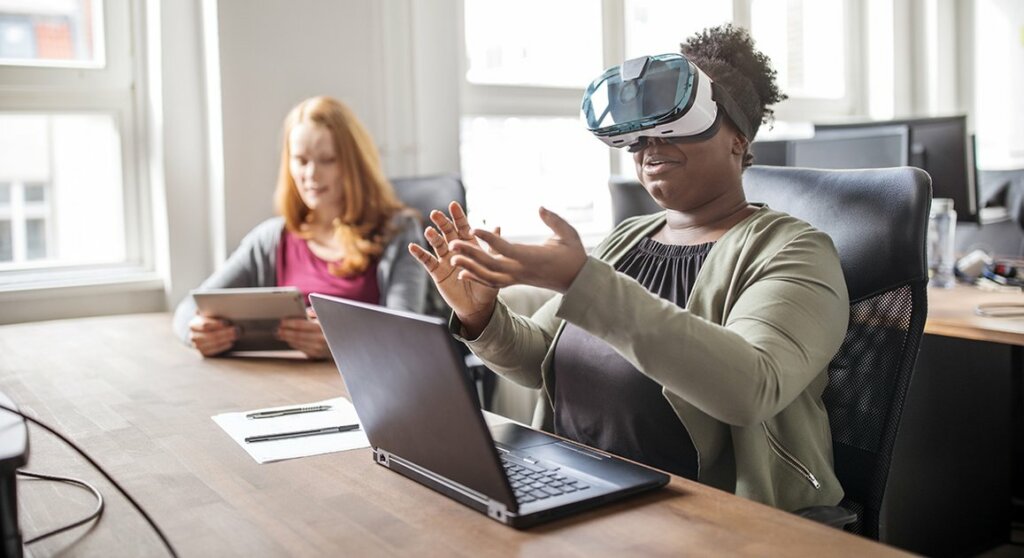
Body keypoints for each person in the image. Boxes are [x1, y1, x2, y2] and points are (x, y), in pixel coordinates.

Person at [408, 25, 849, 511]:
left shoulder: (794, 250)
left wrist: (581, 282)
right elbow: (540, 361)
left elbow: (752, 388)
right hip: (582, 493)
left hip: (709, 517)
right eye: (636, 138)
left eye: (675, 128)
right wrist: (482, 317)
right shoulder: (627, 239)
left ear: (738, 141)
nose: (650, 148)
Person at [174, 96, 426, 359]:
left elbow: (406, 333)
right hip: (284, 386)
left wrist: (341, 342)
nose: (312, 174)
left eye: (327, 159)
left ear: (354, 164)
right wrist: (196, 333)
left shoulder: (399, 232)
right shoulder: (271, 239)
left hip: (362, 390)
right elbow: (187, 310)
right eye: (301, 160)